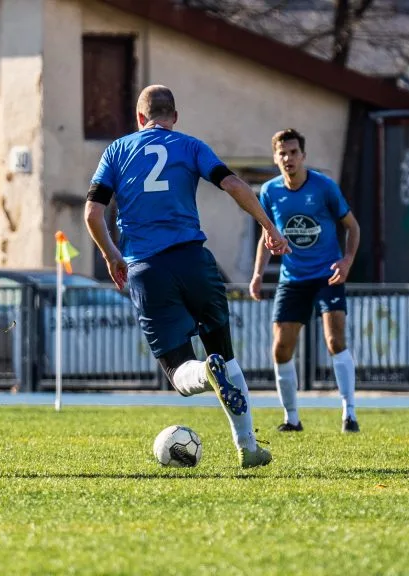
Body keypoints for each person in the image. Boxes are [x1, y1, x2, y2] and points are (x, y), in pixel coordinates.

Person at [84, 85, 290, 468]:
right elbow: (233, 184)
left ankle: (204, 372)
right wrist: (268, 227)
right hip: (195, 261)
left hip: (146, 269)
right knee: (225, 356)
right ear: (174, 117)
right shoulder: (191, 145)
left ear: (139, 118)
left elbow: (93, 214)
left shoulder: (116, 151)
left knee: (180, 373)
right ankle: (248, 448)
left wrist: (112, 256)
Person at [250, 129, 361, 433]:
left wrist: (347, 261)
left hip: (328, 274)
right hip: (293, 278)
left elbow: (353, 227)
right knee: (281, 348)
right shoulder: (270, 191)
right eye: (282, 153)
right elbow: (266, 235)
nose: (288, 158)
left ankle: (349, 413)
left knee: (335, 340)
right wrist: (258, 274)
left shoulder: (324, 187)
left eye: (294, 152)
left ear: (303, 156)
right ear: (275, 157)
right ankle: (292, 418)